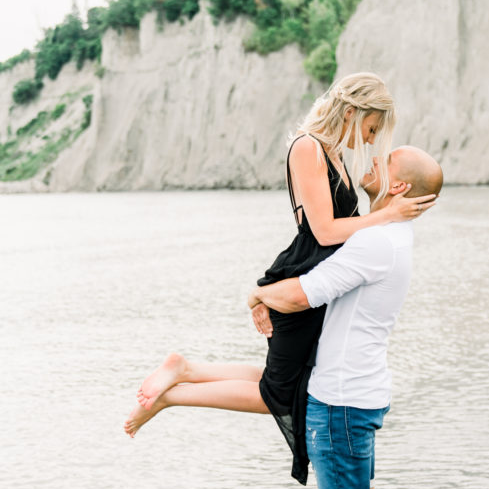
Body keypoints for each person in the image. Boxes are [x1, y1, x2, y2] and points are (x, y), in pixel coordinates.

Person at [128, 146, 443, 489]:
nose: (374, 156)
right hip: (357, 386)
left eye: (386, 158)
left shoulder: (375, 242)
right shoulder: (389, 235)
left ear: (399, 186)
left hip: (341, 395)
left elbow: (299, 295)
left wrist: (256, 295)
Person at [125, 74, 435, 466]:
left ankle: (185, 368)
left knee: (286, 382)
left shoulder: (333, 152)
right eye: (372, 128)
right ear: (352, 112)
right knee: (280, 392)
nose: (372, 140)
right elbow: (324, 232)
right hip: (304, 275)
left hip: (316, 279)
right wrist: (388, 214)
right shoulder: (309, 148)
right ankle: (171, 394)